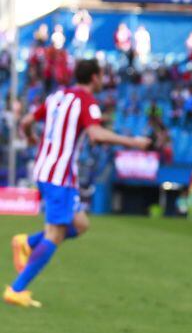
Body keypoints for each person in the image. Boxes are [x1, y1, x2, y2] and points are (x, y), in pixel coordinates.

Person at [5, 59, 151, 308]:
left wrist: (31, 139)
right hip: (58, 176)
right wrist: (134, 143)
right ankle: (16, 289)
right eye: (102, 74)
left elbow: (26, 122)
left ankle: (27, 242)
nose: (103, 79)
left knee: (80, 224)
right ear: (94, 77)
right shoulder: (85, 101)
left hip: (47, 171)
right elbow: (95, 134)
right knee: (56, 233)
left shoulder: (57, 96)